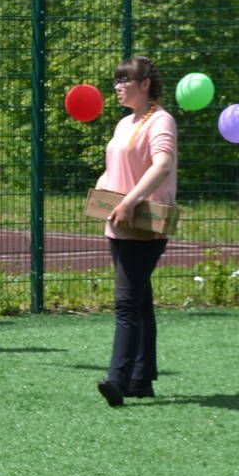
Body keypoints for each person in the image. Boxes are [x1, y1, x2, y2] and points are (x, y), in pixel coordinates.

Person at [93, 56, 178, 406]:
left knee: (126, 302)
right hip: (119, 220)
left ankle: (118, 379)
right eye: (116, 80)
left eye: (125, 80)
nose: (117, 86)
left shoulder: (161, 121)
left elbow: (162, 165)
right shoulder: (124, 123)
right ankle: (142, 380)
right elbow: (114, 166)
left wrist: (129, 201)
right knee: (139, 301)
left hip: (146, 222)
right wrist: (103, 195)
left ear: (145, 84)